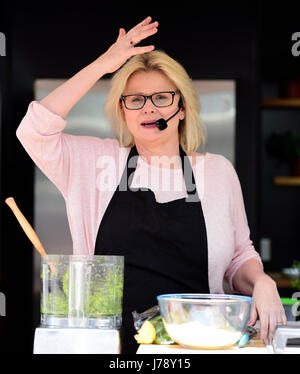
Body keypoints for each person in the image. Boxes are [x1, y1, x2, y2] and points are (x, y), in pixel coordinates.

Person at [16, 16, 286, 353]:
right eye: (135, 99)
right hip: (110, 346)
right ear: (123, 111)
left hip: (196, 346)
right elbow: (33, 131)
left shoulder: (217, 172)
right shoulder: (92, 162)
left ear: (182, 106)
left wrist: (261, 281)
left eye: (161, 97)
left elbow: (236, 259)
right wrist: (104, 64)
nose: (147, 108)